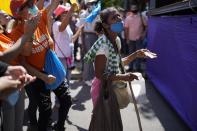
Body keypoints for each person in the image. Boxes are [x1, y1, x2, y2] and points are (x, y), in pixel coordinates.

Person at [9, 0, 72, 130]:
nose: (34, 7)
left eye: (33, 3)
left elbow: (55, 3)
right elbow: (23, 62)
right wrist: (43, 77)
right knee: (45, 110)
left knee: (66, 100)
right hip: (36, 77)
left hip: (53, 69)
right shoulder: (16, 33)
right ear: (19, 13)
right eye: (29, 6)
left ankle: (59, 127)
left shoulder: (41, 16)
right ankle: (35, 124)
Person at [84, 7, 157, 108]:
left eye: (119, 15)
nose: (119, 18)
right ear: (105, 25)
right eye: (114, 18)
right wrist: (122, 77)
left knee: (114, 122)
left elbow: (118, 63)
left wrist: (136, 54)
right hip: (103, 91)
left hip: (113, 88)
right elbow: (99, 74)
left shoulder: (116, 40)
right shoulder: (103, 45)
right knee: (104, 122)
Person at [53, 4, 83, 81]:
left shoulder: (67, 25)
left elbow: (71, 40)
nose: (67, 15)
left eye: (67, 13)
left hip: (69, 58)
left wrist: (79, 29)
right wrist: (71, 11)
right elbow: (62, 28)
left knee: (67, 81)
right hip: (61, 57)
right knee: (62, 81)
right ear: (59, 15)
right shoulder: (56, 24)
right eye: (65, 13)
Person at [124, 5, 147, 72]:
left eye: (135, 8)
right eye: (133, 8)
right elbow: (126, 29)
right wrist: (127, 38)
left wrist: (143, 34)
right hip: (131, 38)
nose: (134, 9)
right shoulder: (128, 18)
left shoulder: (141, 17)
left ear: (137, 9)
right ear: (131, 9)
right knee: (131, 54)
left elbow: (146, 26)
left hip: (139, 38)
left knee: (139, 53)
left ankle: (138, 67)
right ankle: (130, 67)